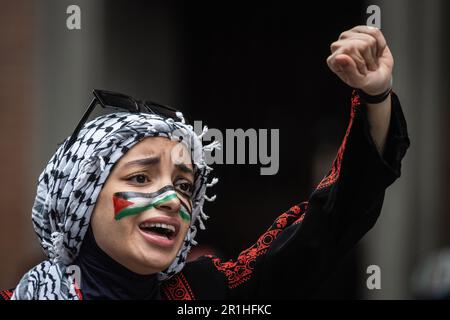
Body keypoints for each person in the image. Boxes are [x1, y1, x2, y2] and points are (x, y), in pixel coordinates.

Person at [0, 25, 409, 300]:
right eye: (141, 176)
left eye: (184, 185)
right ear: (80, 202)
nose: (171, 200)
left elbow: (330, 225)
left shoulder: (205, 294)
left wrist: (376, 95)